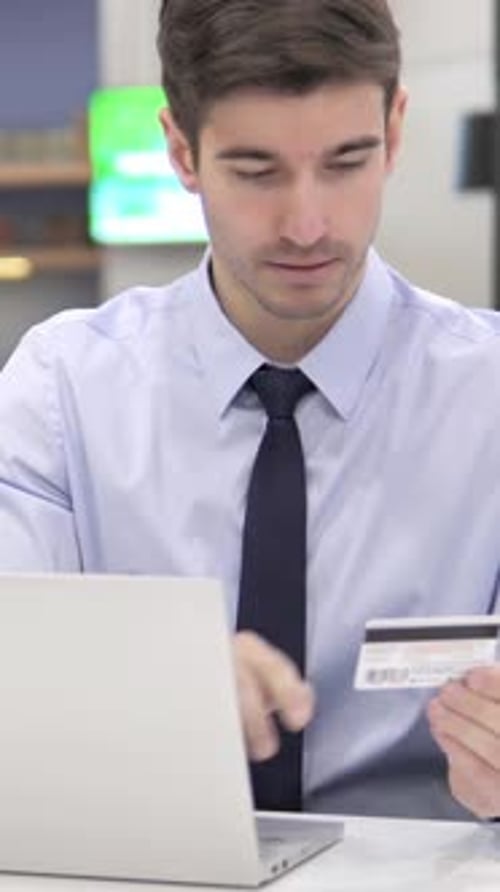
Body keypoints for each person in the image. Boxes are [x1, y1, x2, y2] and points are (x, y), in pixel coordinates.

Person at [1, 0, 500, 821]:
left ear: (396, 130)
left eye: (346, 162)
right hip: (134, 864)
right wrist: (141, 672)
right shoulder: (64, 391)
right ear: (180, 150)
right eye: (256, 171)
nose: (307, 225)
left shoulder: (485, 401)